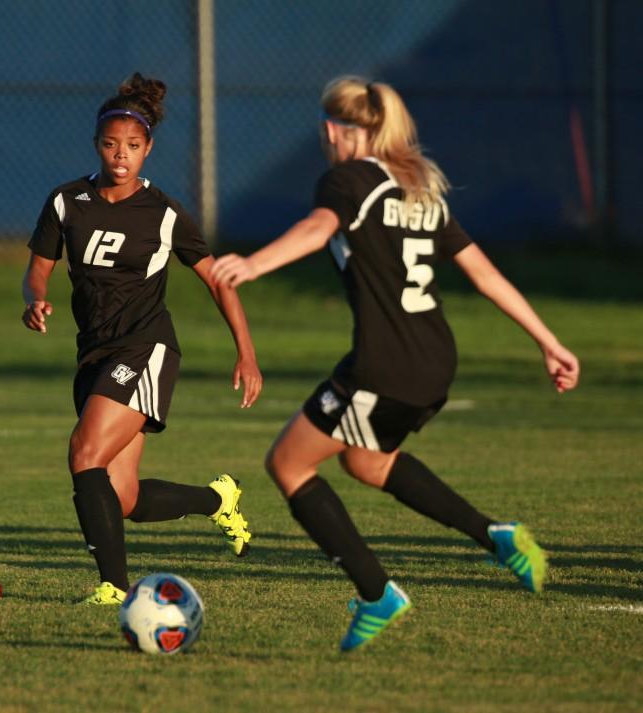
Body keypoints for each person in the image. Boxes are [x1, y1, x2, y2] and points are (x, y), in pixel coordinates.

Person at [211, 76, 580, 651]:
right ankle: (497, 536)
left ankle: (376, 593)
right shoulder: (418, 188)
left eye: (327, 129)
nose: (326, 138)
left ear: (337, 130)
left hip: (386, 363)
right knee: (366, 461)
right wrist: (549, 341)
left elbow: (318, 228)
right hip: (435, 360)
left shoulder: (347, 180)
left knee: (288, 464)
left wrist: (255, 265)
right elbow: (483, 274)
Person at [22, 73, 264, 604]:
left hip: (146, 347)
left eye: (132, 146)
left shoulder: (165, 213)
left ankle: (113, 588)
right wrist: (34, 297)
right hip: (95, 352)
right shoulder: (67, 202)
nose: (120, 156)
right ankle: (217, 500)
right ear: (96, 145)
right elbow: (38, 268)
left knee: (84, 453)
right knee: (124, 496)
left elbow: (218, 282)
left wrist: (246, 353)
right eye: (110, 145)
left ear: (149, 148)